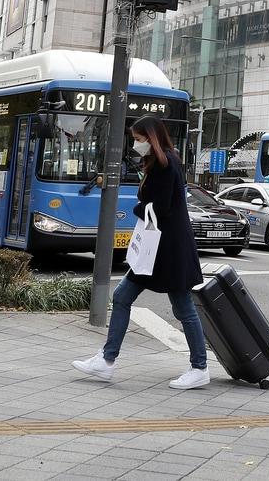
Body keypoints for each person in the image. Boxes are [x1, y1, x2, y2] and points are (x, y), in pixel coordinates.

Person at [72, 117, 209, 390]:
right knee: (124, 297)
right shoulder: (162, 161)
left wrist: (138, 207)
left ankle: (199, 367)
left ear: (151, 138)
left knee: (183, 308)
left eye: (138, 138)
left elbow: (160, 208)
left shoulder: (166, 164)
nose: (135, 144)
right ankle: (106, 360)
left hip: (168, 250)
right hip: (158, 248)